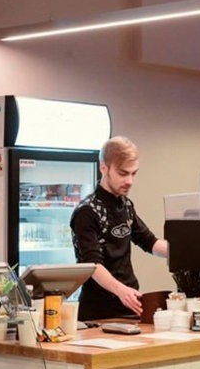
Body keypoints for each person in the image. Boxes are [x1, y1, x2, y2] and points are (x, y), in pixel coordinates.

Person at [70, 136, 168, 320]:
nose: (130, 181)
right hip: (98, 312)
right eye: (123, 173)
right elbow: (93, 265)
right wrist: (121, 290)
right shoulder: (87, 212)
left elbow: (150, 243)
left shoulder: (126, 205)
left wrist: (183, 252)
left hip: (130, 305)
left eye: (133, 174)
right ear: (104, 168)